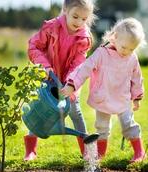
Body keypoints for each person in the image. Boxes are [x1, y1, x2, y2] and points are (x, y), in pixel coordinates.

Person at [61, 17, 147, 164]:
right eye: (124, 47)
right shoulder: (101, 54)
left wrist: (137, 97)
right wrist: (72, 85)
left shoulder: (132, 59)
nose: (127, 52)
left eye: (132, 49)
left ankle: (139, 152)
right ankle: (100, 154)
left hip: (122, 97)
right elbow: (84, 69)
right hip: (103, 96)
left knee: (128, 123)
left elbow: (137, 78)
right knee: (101, 126)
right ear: (115, 37)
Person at [23, 0, 97, 161]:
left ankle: (87, 152)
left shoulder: (84, 38)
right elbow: (33, 47)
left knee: (75, 112)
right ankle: (31, 152)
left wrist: (71, 85)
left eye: (84, 19)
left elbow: (78, 65)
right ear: (65, 10)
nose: (79, 22)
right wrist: (44, 66)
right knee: (40, 110)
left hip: (70, 82)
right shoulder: (51, 27)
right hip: (47, 79)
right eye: (75, 17)